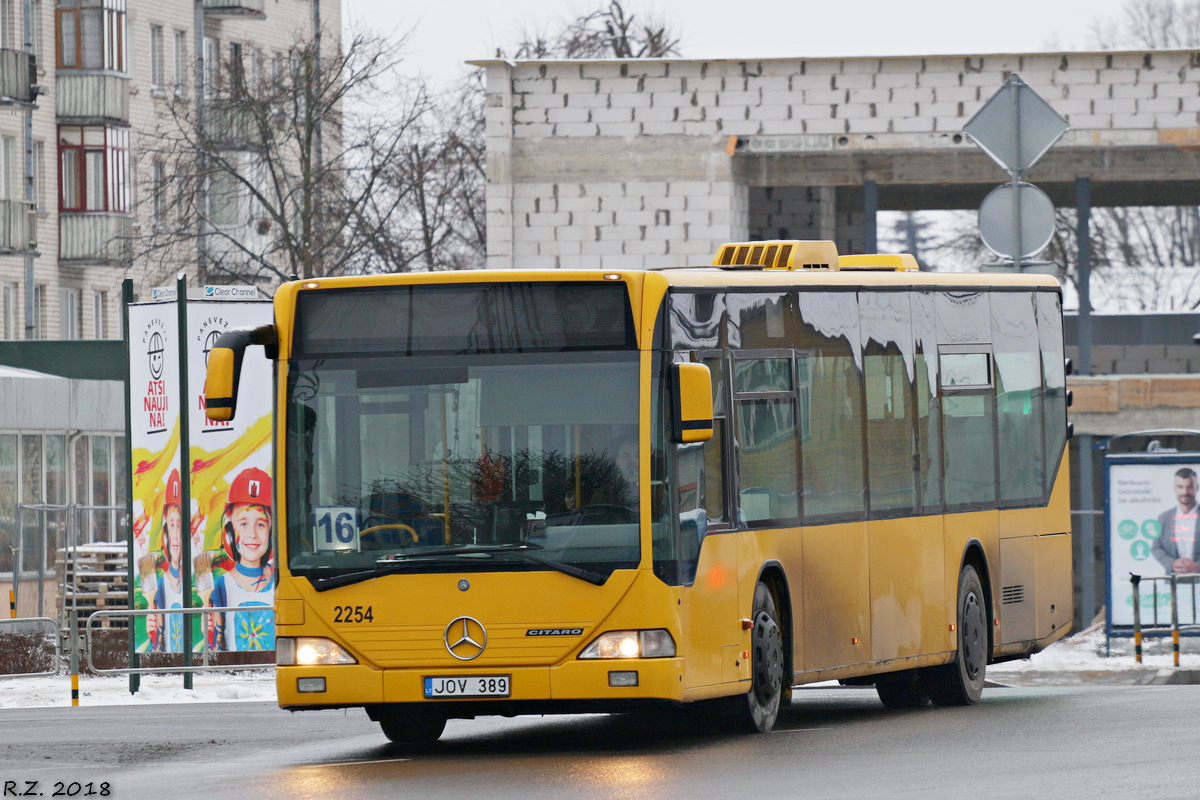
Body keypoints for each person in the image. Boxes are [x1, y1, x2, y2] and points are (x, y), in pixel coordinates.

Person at [210, 467, 275, 651]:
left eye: (261, 524)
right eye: (244, 524)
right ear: (229, 532)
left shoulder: (281, 582)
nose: (252, 534)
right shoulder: (221, 585)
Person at [147, 468, 184, 652]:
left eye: (180, 525)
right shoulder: (160, 585)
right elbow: (157, 645)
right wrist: (153, 633)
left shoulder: (196, 582)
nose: (176, 534)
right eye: (172, 525)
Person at [1152, 467, 1200, 574]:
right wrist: (1171, 564)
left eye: (1190, 487)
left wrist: (1197, 567)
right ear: (1175, 488)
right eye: (1180, 487)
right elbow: (1156, 548)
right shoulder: (1164, 518)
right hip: (1172, 583)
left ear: (1197, 487)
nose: (1185, 492)